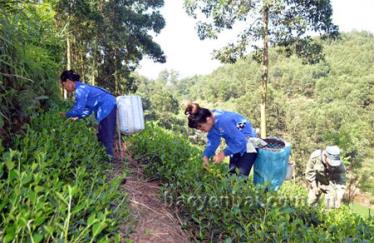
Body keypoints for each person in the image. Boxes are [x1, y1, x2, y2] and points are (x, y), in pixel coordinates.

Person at [185, 102, 258, 178]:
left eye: (201, 127)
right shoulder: (212, 120)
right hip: (235, 145)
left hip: (249, 145)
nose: (202, 130)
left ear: (208, 119)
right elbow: (213, 141)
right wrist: (206, 156)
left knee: (240, 178)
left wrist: (223, 153)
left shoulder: (223, 121)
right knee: (232, 175)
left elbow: (241, 141)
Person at [60, 70, 117, 159]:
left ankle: (109, 160)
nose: (65, 89)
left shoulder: (81, 90)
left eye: (64, 85)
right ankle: (106, 158)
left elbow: (78, 109)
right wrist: (77, 117)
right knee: (102, 134)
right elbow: (87, 109)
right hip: (106, 106)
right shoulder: (82, 88)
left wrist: (66, 114)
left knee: (106, 135)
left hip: (107, 106)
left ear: (68, 81)